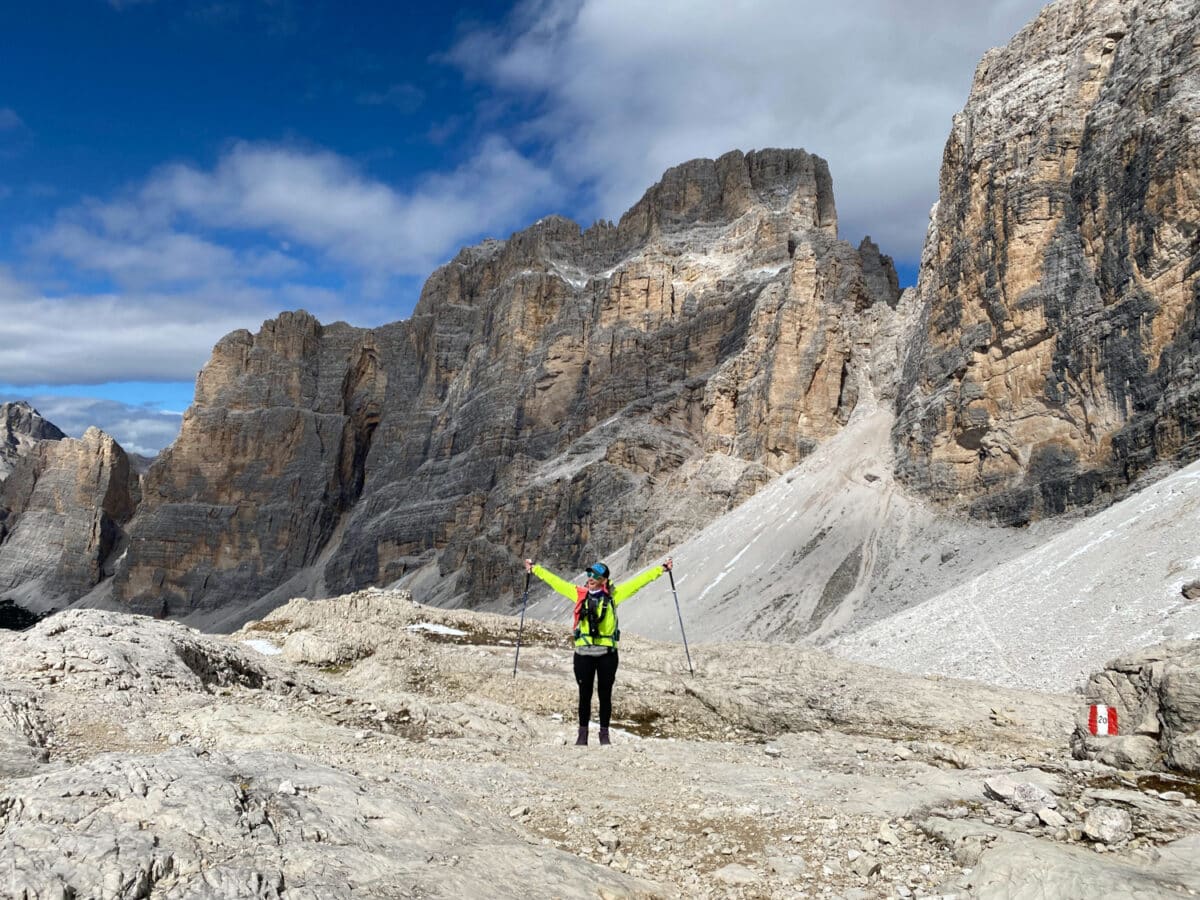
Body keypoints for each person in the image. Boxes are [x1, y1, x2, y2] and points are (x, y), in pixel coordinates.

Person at [525, 556, 672, 746]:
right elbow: (556, 583)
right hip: (584, 654)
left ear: (604, 579)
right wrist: (535, 569)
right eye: (589, 573)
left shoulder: (614, 595)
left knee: (605, 695)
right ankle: (582, 735)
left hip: (607, 654)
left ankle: (604, 735)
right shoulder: (579, 593)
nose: (590, 577)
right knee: (584, 695)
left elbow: (639, 582)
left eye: (595, 575)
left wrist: (662, 569)